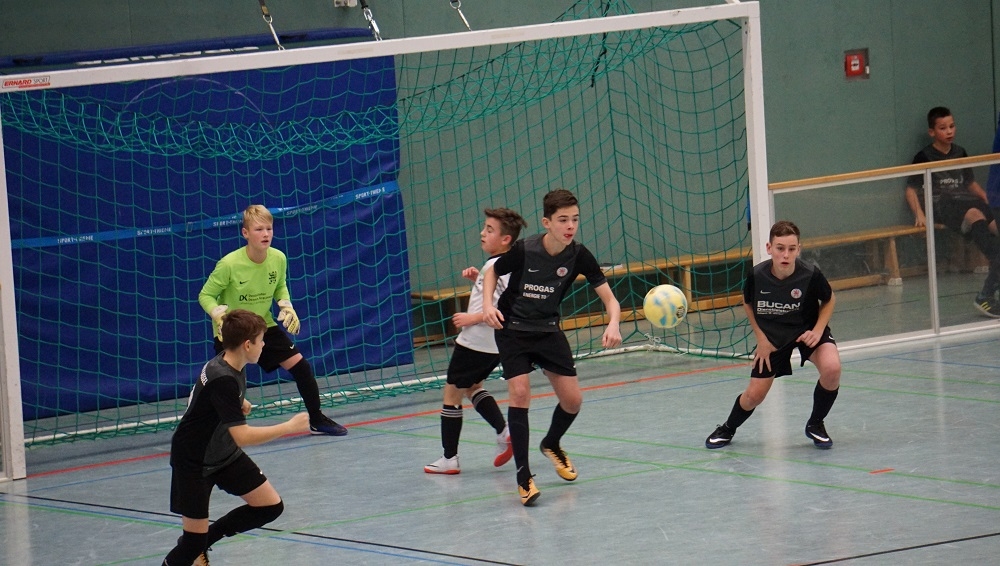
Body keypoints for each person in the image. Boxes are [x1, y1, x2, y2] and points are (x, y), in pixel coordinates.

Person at [482, 188, 622, 506]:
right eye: (562, 220)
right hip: (512, 329)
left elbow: (611, 300)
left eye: (575, 219)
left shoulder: (579, 255)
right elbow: (492, 272)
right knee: (520, 393)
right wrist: (489, 305)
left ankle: (552, 443)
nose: (570, 226)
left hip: (547, 329)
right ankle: (524, 477)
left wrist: (613, 323)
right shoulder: (525, 250)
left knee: (573, 401)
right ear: (547, 223)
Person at [163, 309, 310, 566]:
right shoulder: (223, 378)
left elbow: (205, 395)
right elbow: (242, 436)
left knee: (269, 506)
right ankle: (196, 545)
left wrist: (236, 403)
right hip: (194, 461)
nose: (264, 346)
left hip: (223, 453)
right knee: (191, 543)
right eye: (261, 340)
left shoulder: (228, 361)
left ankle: (207, 539)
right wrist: (289, 426)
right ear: (247, 344)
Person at [199, 204, 348, 436]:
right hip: (233, 331)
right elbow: (205, 295)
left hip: (263, 326)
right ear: (245, 233)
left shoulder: (278, 258)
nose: (265, 234)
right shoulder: (229, 264)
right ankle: (219, 430)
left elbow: (280, 286)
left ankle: (316, 419)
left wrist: (286, 305)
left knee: (301, 367)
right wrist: (217, 314)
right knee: (227, 383)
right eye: (258, 229)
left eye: (269, 228)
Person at [705, 220, 841, 450]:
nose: (785, 254)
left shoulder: (810, 274)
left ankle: (815, 424)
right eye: (780, 248)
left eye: (791, 249)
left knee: (832, 368)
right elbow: (747, 302)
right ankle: (727, 428)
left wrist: (818, 331)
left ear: (798, 249)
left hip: (806, 331)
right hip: (772, 337)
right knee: (754, 395)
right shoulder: (757, 275)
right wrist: (761, 339)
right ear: (769, 248)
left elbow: (829, 299)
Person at [424, 208, 528, 475]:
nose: (482, 233)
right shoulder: (502, 265)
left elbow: (503, 309)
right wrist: (478, 281)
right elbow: (497, 296)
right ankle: (504, 432)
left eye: (489, 230)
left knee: (452, 393)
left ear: (506, 239)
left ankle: (449, 458)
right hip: (494, 344)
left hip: (476, 340)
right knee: (473, 386)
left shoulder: (496, 266)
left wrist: (472, 318)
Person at [904, 106, 1000, 317]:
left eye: (952, 126)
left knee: (989, 217)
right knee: (974, 214)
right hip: (942, 204)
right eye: (943, 128)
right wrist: (919, 214)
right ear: (932, 132)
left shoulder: (960, 152)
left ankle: (996, 263)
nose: (949, 131)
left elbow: (970, 182)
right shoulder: (924, 156)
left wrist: (987, 198)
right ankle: (994, 260)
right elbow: (911, 189)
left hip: (966, 200)